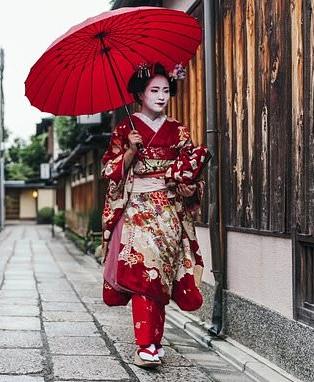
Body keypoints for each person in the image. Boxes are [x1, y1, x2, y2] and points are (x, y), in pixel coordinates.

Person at [100, 62, 205, 368]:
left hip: (168, 209)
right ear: (139, 95)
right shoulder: (125, 129)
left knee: (161, 274)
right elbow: (109, 170)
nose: (161, 96)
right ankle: (146, 345)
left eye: (165, 90)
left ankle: (154, 342)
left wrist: (189, 187)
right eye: (154, 90)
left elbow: (192, 170)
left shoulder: (178, 130)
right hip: (137, 210)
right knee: (144, 271)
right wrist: (130, 151)